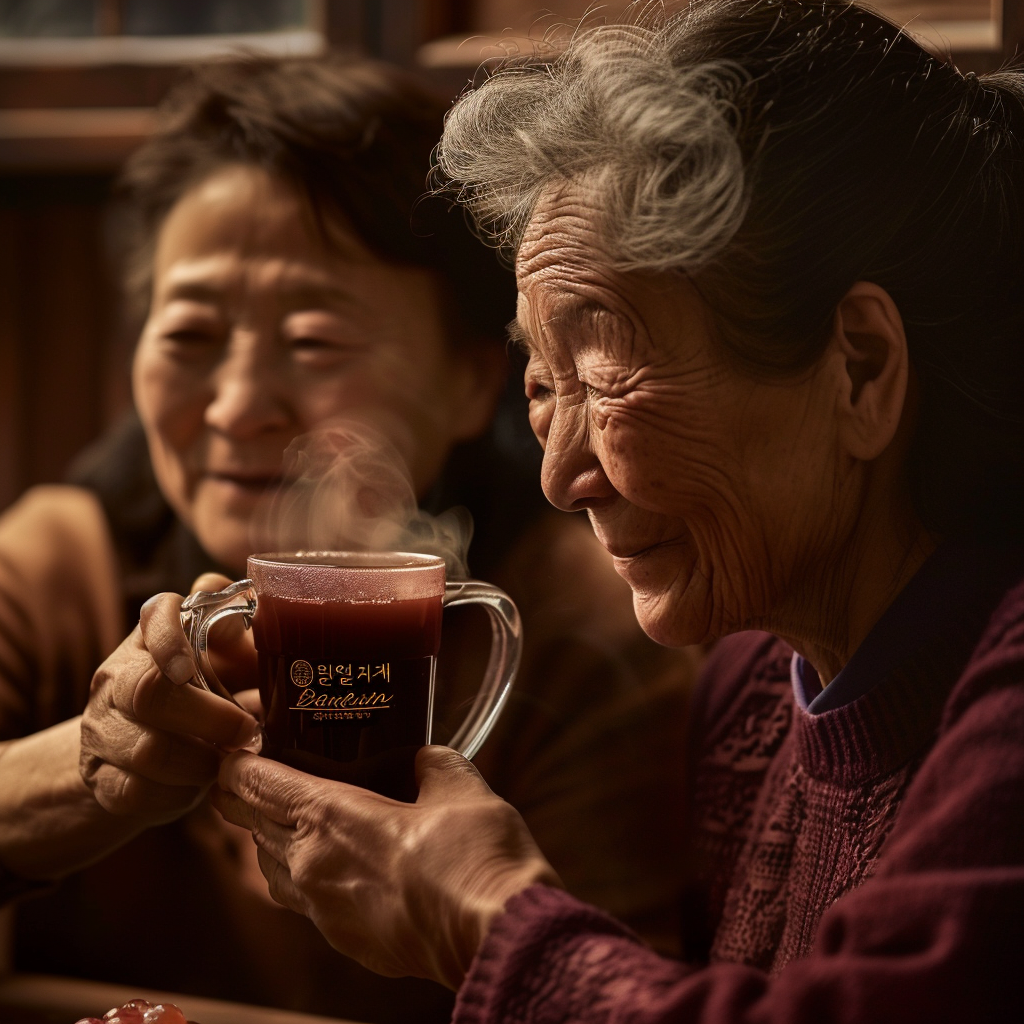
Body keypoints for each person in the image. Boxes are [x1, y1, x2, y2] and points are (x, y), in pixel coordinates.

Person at [210, 1, 1024, 1020]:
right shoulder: (750, 691)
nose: (560, 476)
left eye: (602, 369)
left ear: (858, 369)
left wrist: (484, 918)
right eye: (542, 383)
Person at [0, 56, 697, 1023]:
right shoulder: (51, 571)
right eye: (191, 336)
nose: (239, 406)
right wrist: (95, 761)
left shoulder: (580, 634)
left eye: (315, 342)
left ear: (468, 380)